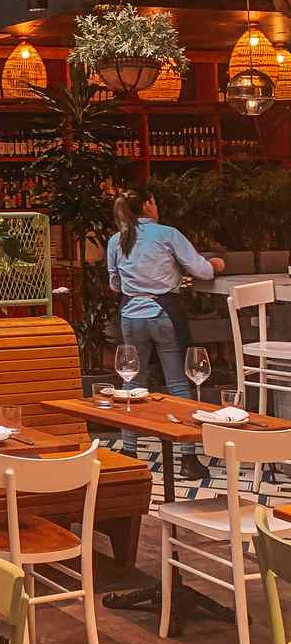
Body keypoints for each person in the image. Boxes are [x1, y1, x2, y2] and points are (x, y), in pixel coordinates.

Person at [106, 185, 225, 479]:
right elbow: (202, 271)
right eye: (155, 201)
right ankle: (187, 459)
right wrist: (216, 264)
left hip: (131, 317)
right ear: (148, 205)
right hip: (164, 316)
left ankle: (129, 452)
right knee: (178, 385)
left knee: (131, 383)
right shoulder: (167, 234)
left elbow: (115, 285)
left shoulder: (115, 240)